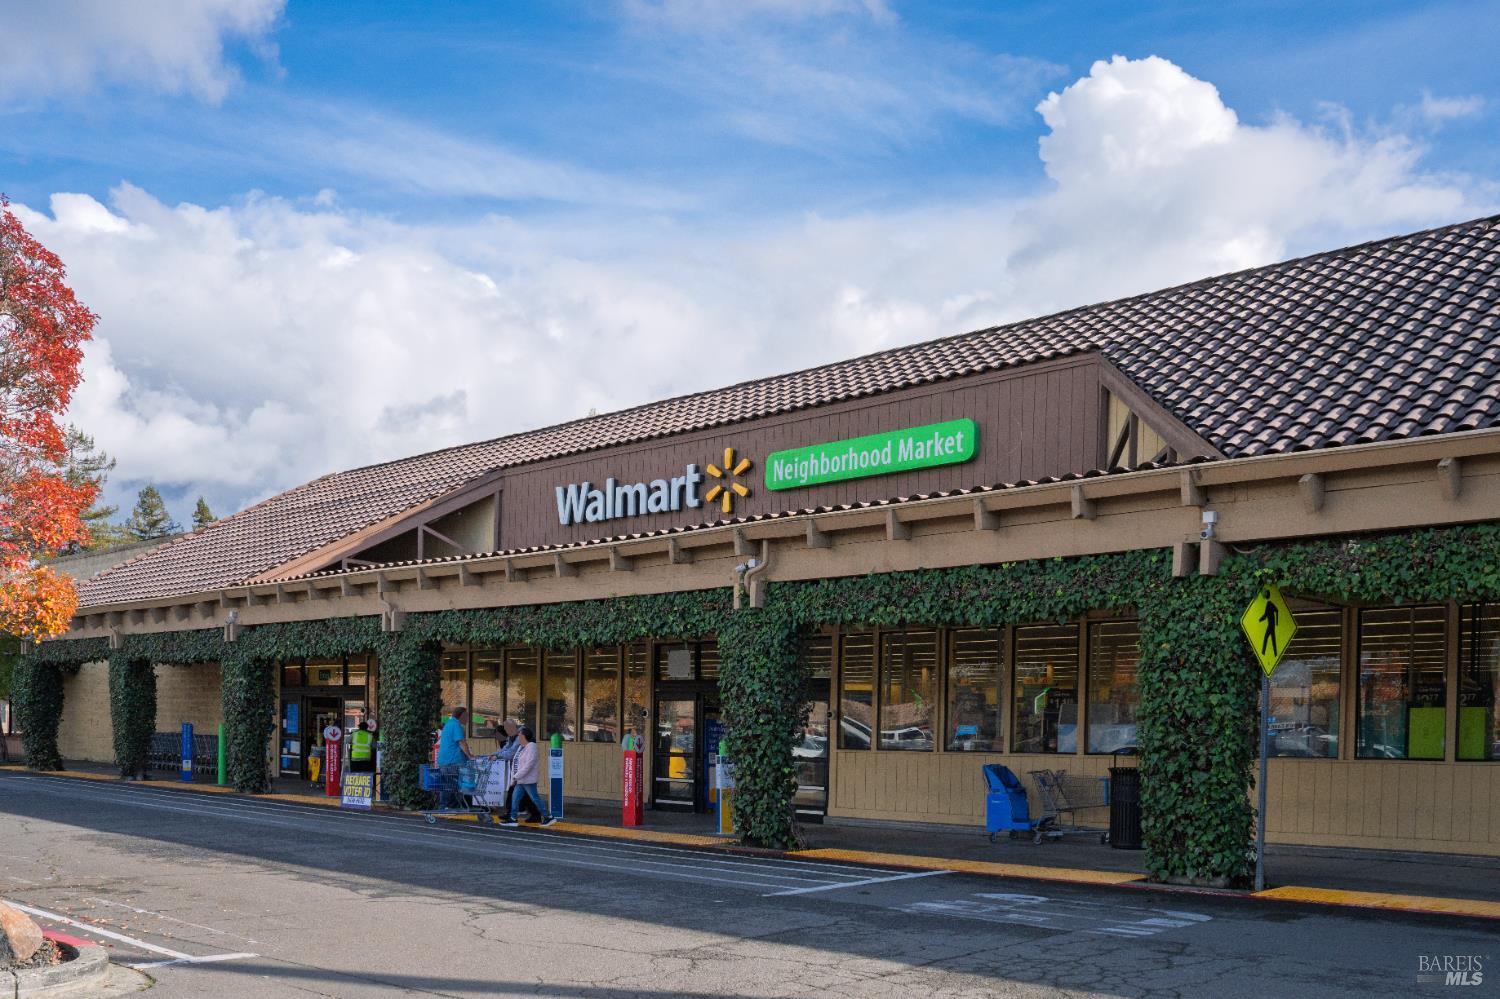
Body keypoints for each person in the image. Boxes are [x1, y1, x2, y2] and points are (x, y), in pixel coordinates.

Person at [498, 726, 557, 828]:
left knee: (535, 799)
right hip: (520, 779)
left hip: (528, 779)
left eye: (520, 735)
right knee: (515, 799)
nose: (518, 737)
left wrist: (516, 776)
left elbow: (528, 765)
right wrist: (515, 777)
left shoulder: (531, 747)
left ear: (525, 736)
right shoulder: (521, 747)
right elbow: (516, 762)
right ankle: (513, 818)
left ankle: (548, 816)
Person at [435, 707, 472, 809]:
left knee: (447, 784)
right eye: (467, 716)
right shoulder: (456, 725)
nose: (468, 718)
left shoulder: (449, 724)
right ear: (461, 716)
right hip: (453, 760)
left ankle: (444, 806)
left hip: (444, 760)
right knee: (452, 785)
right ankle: (449, 806)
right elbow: (461, 742)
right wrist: (469, 756)